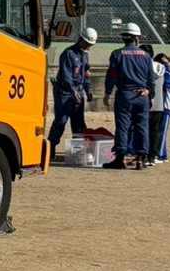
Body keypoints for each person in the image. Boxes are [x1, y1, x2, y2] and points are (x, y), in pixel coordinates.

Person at [103, 23, 152, 169]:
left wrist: (107, 93)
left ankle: (120, 158)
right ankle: (141, 159)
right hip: (142, 95)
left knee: (123, 127)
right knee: (142, 127)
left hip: (125, 95)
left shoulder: (117, 54)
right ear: (137, 38)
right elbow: (151, 79)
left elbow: (111, 75)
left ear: (124, 38)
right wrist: (150, 93)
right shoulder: (146, 56)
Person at [48, 27, 97, 158]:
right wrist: (72, 90)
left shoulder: (85, 55)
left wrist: (89, 90)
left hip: (78, 92)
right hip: (65, 92)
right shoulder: (68, 54)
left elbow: (85, 75)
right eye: (87, 43)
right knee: (61, 120)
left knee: (78, 122)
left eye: (90, 45)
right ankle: (50, 147)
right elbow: (66, 75)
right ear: (81, 39)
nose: (88, 47)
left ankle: (78, 150)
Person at [155, 54, 170, 163]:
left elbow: (168, 84)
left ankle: (160, 154)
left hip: (166, 106)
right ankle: (160, 153)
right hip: (157, 105)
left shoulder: (169, 73)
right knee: (156, 130)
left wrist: (166, 66)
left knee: (162, 131)